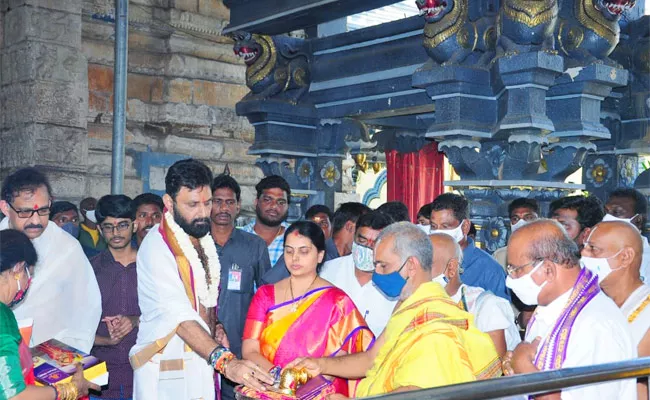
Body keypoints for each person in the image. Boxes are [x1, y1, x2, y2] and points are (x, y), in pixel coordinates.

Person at [287, 222, 501, 398]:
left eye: (383, 266)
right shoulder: (408, 305)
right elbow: (371, 359)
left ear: (411, 266)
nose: (376, 273)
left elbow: (415, 393)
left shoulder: (436, 324)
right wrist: (320, 364)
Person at [130, 159, 273, 400]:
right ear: (169, 202)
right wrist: (226, 362)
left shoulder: (200, 238)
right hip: (167, 367)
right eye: (192, 204)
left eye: (207, 203)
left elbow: (201, 299)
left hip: (200, 360)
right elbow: (180, 316)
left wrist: (214, 325)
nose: (203, 213)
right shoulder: (157, 247)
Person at [502, 219, 636, 399]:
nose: (510, 279)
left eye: (515, 270)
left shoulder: (596, 325)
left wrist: (524, 367)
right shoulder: (550, 307)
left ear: (548, 270)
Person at [241, 221, 374, 397]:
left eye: (304, 251)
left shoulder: (337, 301)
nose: (294, 258)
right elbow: (249, 349)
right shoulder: (265, 295)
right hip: (269, 387)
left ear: (320, 255)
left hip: (317, 392)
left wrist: (301, 386)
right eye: (289, 251)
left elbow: (343, 357)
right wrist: (279, 378)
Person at [0, 168, 101, 352]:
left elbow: (86, 309)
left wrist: (68, 355)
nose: (36, 221)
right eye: (25, 212)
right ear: (5, 208)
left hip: (54, 360)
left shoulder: (67, 248)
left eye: (44, 210)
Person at [0, 229, 100, 400]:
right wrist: (70, 390)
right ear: (18, 268)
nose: (27, 283)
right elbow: (14, 396)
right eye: (28, 274)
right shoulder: (3, 316)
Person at [209, 174, 272, 400]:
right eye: (217, 201)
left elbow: (267, 296)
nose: (223, 208)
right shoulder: (195, 243)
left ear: (238, 206)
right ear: (208, 204)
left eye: (229, 202)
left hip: (240, 344)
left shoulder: (254, 245)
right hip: (200, 342)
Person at [581, 221, 650, 400]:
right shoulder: (589, 303)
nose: (583, 254)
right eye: (584, 247)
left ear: (625, 257)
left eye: (593, 249)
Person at [429, 233, 520, 357]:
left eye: (427, 265)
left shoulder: (486, 307)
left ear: (451, 268)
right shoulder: (419, 304)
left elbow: (497, 370)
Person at [90, 195, 141, 400]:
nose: (116, 232)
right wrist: (106, 340)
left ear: (134, 226)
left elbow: (168, 314)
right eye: (108, 227)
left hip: (142, 372)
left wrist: (135, 320)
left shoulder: (152, 266)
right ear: (101, 230)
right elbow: (73, 325)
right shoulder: (89, 269)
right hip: (97, 373)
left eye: (122, 225)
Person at [320, 211, 397, 336]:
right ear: (354, 236)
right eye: (362, 240)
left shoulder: (396, 282)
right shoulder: (328, 271)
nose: (367, 247)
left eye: (375, 243)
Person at [260, 202, 370, 286]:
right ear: (350, 227)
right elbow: (269, 284)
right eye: (365, 228)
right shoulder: (307, 252)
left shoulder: (353, 262)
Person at [430, 193, 510, 300]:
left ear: (465, 226)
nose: (438, 233)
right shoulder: (424, 261)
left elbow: (500, 313)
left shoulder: (490, 271)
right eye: (434, 226)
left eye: (445, 226)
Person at [241, 175, 291, 267]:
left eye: (281, 202)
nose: (274, 206)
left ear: (288, 206)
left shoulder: (297, 237)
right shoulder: (240, 237)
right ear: (256, 202)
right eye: (268, 200)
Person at [604, 188, 650, 282]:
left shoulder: (647, 260)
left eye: (616, 212)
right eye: (605, 212)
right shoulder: (592, 252)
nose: (606, 218)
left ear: (638, 220)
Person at [492, 198, 540, 269]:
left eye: (528, 218)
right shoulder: (500, 256)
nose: (521, 223)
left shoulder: (548, 254)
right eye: (515, 219)